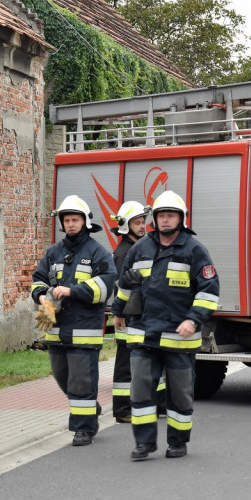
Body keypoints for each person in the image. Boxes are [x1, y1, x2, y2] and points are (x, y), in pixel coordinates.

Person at [111, 190, 219, 461]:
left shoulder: (195, 251)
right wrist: (118, 311)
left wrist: (193, 320)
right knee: (141, 391)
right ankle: (144, 443)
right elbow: (125, 284)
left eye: (171, 215)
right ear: (155, 219)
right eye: (161, 215)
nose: (166, 220)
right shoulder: (140, 248)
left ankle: (178, 442)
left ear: (181, 219)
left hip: (179, 340)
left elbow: (209, 291)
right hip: (143, 335)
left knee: (180, 394)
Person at [30, 195, 115, 447]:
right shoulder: (53, 252)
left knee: (81, 382)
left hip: (84, 332)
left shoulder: (98, 253)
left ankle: (84, 429)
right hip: (56, 332)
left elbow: (105, 286)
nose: (70, 224)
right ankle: (90, 408)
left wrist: (71, 290)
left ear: (85, 222)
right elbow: (38, 279)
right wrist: (43, 298)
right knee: (63, 378)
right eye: (67, 220)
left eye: (75, 219)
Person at [110, 200, 148, 423]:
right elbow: (120, 286)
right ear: (126, 225)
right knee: (125, 363)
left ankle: (159, 404)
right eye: (137, 222)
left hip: (139, 314)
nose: (142, 226)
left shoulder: (138, 249)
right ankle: (122, 410)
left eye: (143, 222)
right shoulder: (123, 253)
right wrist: (120, 313)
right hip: (126, 316)